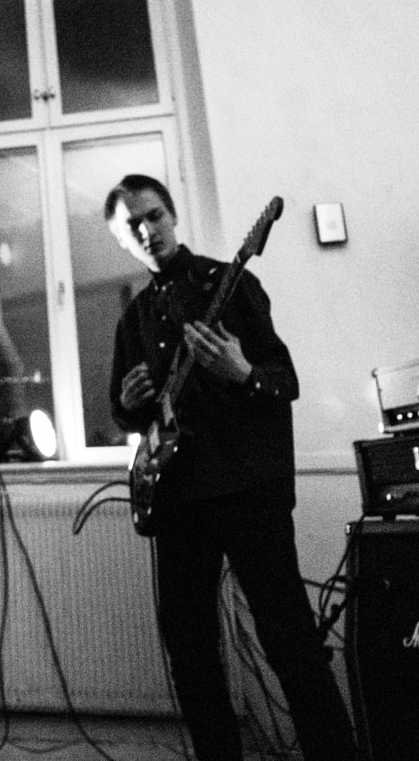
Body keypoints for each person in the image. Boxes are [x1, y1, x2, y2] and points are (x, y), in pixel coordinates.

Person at [105, 175, 357, 761]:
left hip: (247, 489)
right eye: (132, 225)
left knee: (289, 641)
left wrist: (242, 372)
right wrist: (129, 403)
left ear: (172, 214)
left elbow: (284, 382)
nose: (147, 230)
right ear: (121, 240)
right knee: (190, 649)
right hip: (177, 501)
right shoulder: (132, 319)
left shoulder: (233, 282)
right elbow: (128, 415)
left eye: (153, 215)